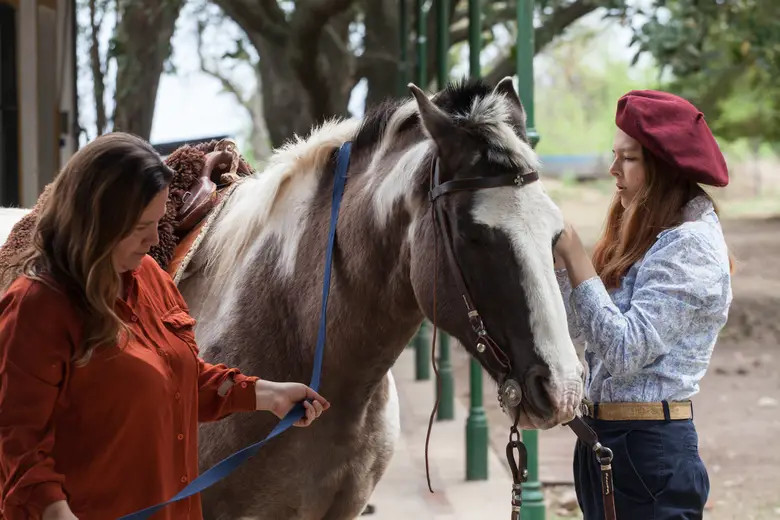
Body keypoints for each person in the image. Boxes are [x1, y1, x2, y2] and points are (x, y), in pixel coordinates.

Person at [0, 132, 330, 520]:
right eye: (141, 226)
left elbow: (175, 380)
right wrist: (56, 513)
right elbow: (14, 444)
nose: (154, 239)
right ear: (95, 220)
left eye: (157, 222)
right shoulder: (35, 308)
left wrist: (265, 394)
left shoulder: (151, 277)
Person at [553, 90, 733, 519]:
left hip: (648, 447)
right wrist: (556, 263)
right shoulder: (642, 233)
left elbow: (624, 351)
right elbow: (578, 329)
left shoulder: (690, 244)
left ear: (663, 164)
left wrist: (578, 258)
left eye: (629, 159)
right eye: (615, 156)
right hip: (605, 441)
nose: (613, 169)